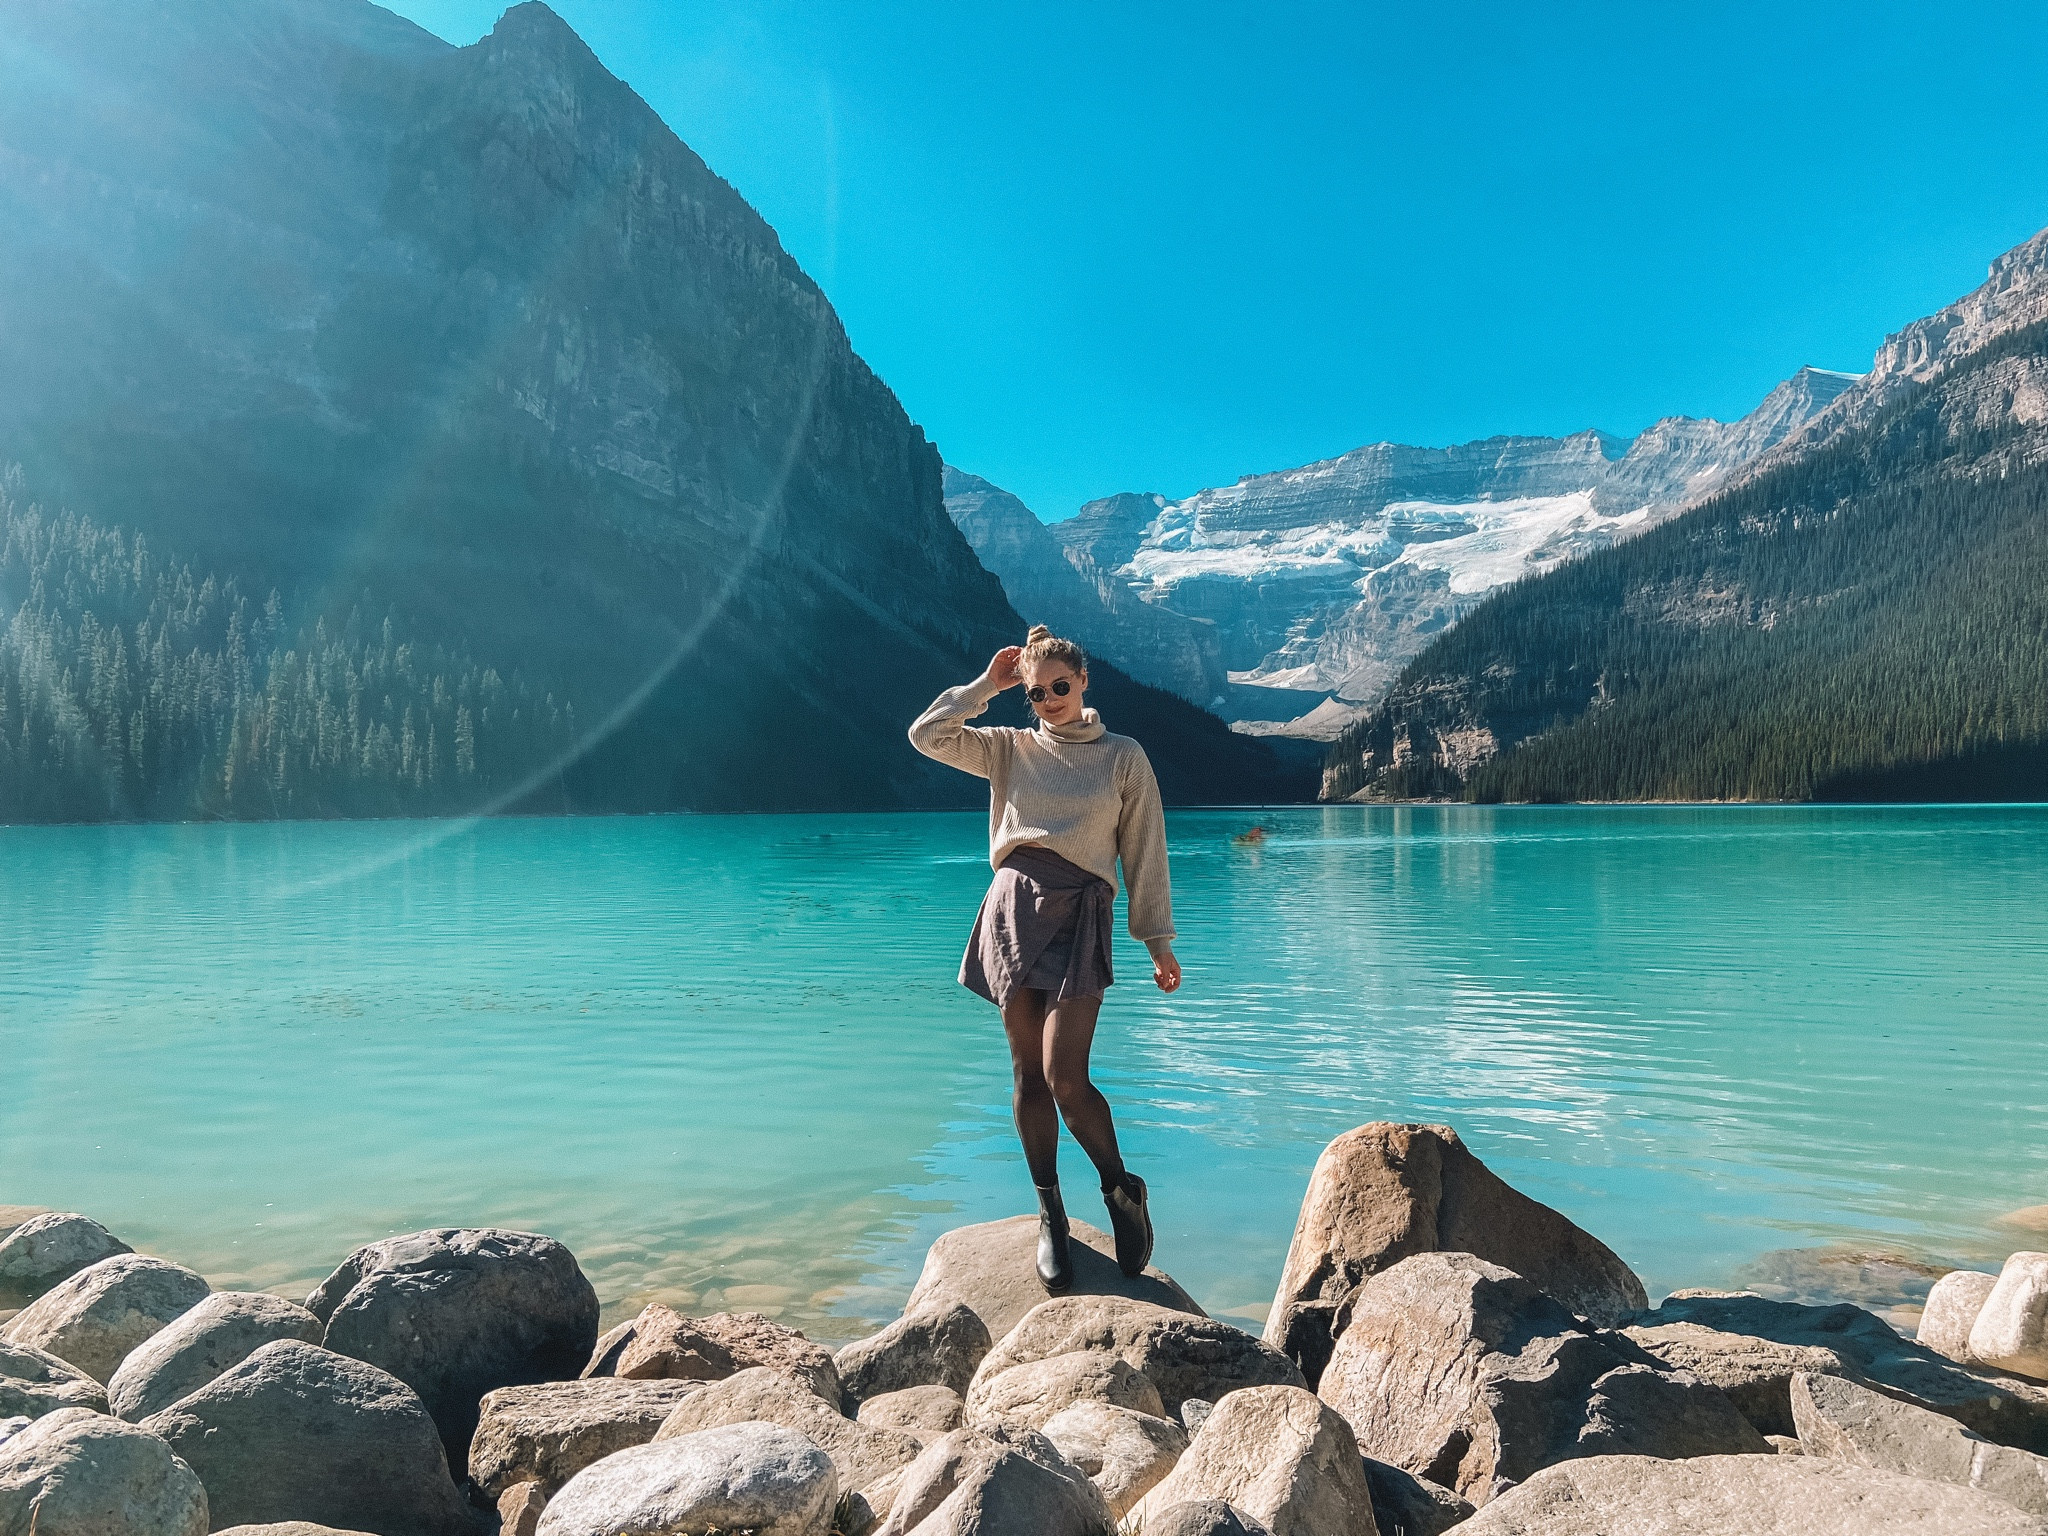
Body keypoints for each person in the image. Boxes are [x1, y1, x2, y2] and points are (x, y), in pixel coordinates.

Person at [909, 625, 1181, 1292]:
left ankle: (1121, 1191)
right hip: (1012, 914)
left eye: (1061, 687)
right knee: (1028, 1074)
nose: (1050, 699)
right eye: (1035, 693)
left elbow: (1145, 849)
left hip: (1082, 915)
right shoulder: (1009, 748)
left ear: (1084, 681)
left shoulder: (1123, 756)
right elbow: (927, 735)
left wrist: (1158, 941)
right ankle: (1050, 1212)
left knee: (1066, 1075)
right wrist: (983, 687)